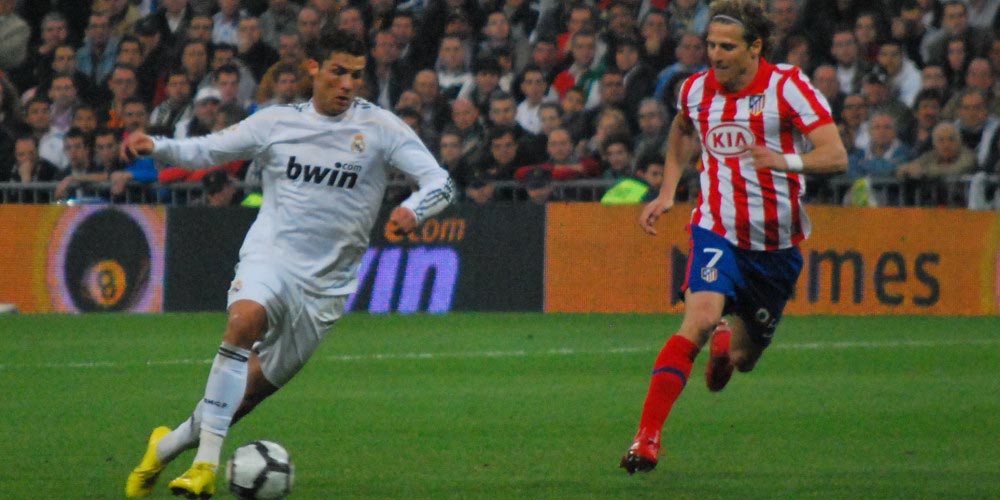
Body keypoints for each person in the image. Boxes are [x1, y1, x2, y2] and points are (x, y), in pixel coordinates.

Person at [123, 30, 454, 499]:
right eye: (338, 72)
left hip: (325, 289)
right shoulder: (276, 122)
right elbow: (207, 150)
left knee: (243, 397)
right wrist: (156, 146)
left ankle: (164, 447)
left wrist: (414, 210)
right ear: (314, 68)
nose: (347, 84)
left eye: (356, 75)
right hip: (271, 258)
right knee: (244, 321)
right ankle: (204, 467)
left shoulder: (380, 128)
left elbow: (440, 182)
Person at [621, 0, 847, 475]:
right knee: (699, 319)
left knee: (742, 361)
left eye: (727, 47)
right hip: (717, 228)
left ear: (755, 47)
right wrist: (668, 191)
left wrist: (785, 160)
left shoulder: (788, 87)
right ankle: (646, 438)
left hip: (776, 249)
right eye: (711, 45)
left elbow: (835, 155)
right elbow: (683, 132)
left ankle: (725, 354)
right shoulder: (695, 90)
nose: (715, 55)